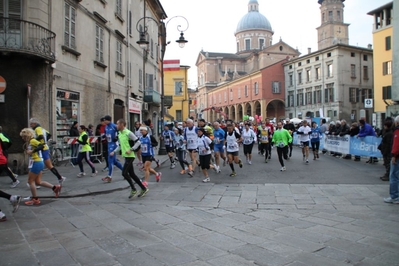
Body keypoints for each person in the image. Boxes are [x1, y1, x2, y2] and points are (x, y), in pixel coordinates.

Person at [20, 128, 61, 206]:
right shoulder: (30, 142)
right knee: (38, 182)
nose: (22, 138)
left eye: (24, 136)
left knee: (30, 181)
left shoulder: (32, 141)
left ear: (27, 136)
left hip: (36, 162)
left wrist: (32, 151)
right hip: (39, 162)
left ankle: (35, 199)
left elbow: (42, 146)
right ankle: (55, 187)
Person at [113, 119, 148, 198]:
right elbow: (119, 146)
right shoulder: (120, 133)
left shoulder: (128, 133)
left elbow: (138, 142)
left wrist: (131, 149)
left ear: (122, 124)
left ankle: (133, 189)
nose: (116, 125)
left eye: (117, 124)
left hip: (131, 156)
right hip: (126, 156)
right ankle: (143, 188)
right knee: (132, 174)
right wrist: (114, 152)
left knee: (124, 173)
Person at [29, 118, 66, 185]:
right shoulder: (42, 129)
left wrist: (33, 140)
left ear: (35, 124)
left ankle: (37, 182)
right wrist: (45, 141)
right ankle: (59, 178)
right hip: (44, 148)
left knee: (45, 165)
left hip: (42, 149)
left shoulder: (37, 129)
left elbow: (41, 136)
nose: (30, 126)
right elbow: (49, 134)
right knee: (46, 165)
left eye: (31, 124)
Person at [101, 115, 123, 183]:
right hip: (109, 144)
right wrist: (104, 136)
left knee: (110, 160)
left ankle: (109, 176)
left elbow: (121, 131)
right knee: (115, 162)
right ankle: (126, 172)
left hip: (114, 145)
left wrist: (117, 137)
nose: (104, 121)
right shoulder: (106, 127)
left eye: (105, 120)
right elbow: (105, 134)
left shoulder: (114, 126)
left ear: (108, 120)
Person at [383, 116, 399, 204]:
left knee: (394, 176)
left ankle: (394, 196)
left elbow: (396, 145)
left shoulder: (397, 131)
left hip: (397, 156)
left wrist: (394, 155)